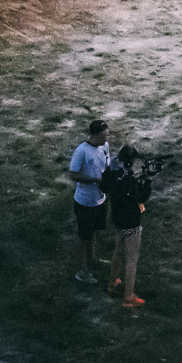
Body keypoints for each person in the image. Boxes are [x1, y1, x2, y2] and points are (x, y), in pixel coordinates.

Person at [102, 145, 152, 309]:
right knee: (132, 260)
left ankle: (112, 283)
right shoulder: (128, 181)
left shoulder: (112, 172)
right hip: (131, 220)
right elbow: (141, 196)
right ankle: (129, 297)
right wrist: (148, 180)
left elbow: (104, 186)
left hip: (117, 217)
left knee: (118, 250)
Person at [68, 119, 112, 284]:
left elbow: (106, 167)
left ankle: (92, 260)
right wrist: (93, 179)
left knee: (93, 233)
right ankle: (81, 270)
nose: (105, 140)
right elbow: (73, 174)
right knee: (83, 237)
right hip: (85, 201)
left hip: (100, 199)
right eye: (103, 136)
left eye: (106, 136)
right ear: (94, 135)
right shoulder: (82, 151)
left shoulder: (104, 146)